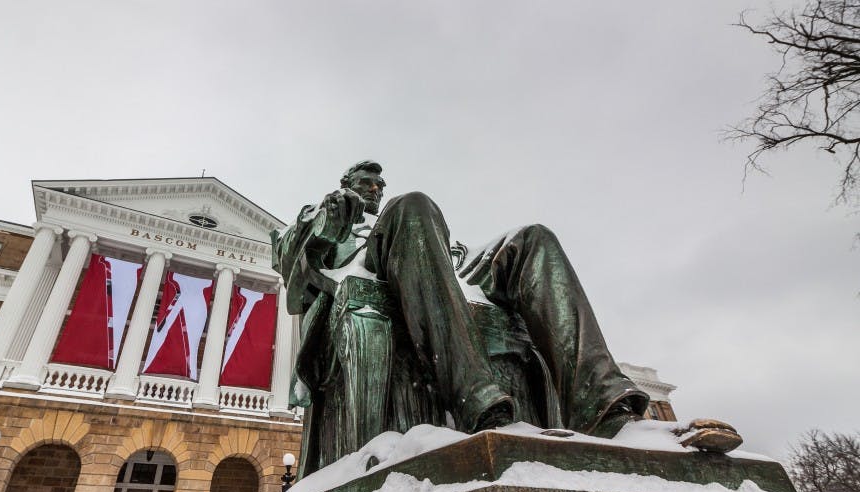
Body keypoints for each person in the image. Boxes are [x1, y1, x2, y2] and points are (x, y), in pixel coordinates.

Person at [273, 161, 652, 474]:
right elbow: (288, 259)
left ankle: (604, 407)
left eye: (379, 184)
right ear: (347, 183)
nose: (374, 190)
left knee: (534, 241)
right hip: (372, 272)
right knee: (414, 204)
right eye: (366, 183)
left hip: (441, 278)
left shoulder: (403, 220)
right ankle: (479, 401)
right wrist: (327, 219)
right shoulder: (329, 214)